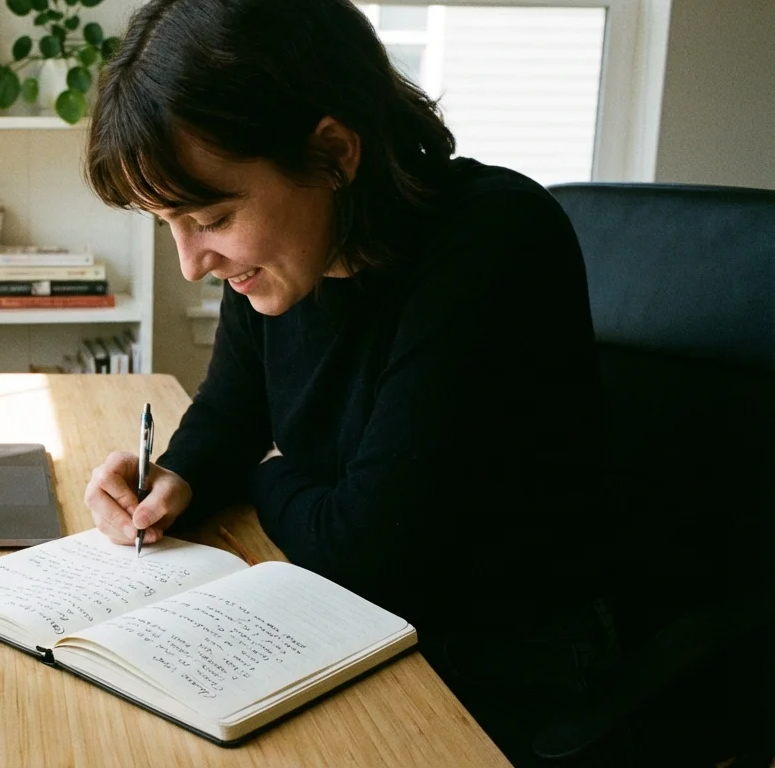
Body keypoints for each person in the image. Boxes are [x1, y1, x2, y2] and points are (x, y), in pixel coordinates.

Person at [80, 0, 621, 764]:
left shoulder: (494, 242)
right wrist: (179, 475)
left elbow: (367, 550)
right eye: (166, 222)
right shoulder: (285, 260)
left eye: (212, 216)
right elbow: (235, 408)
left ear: (332, 153)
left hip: (502, 663)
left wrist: (265, 478)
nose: (190, 263)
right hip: (354, 616)